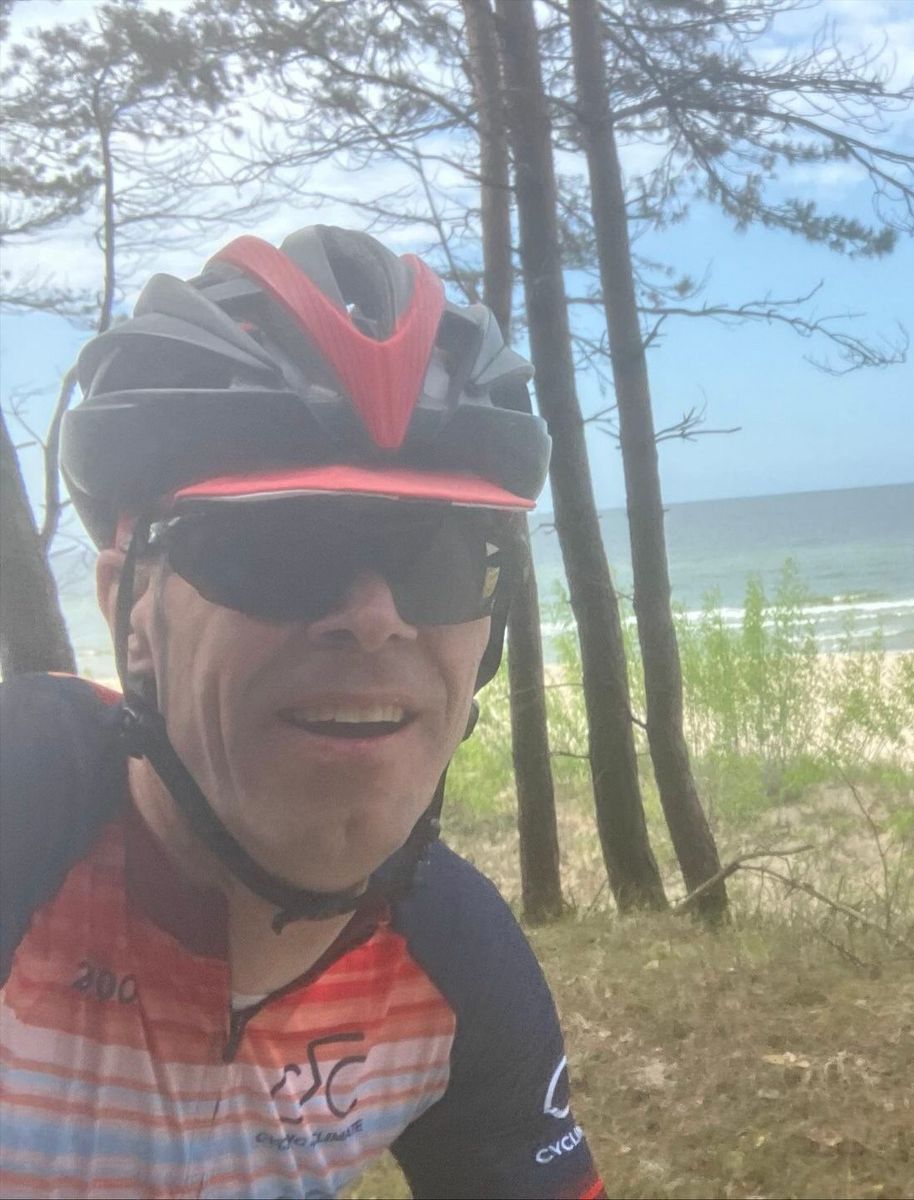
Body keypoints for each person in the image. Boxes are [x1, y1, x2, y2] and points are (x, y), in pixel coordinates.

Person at [0, 226, 603, 1199]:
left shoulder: (456, 960)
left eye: (439, 557)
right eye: (278, 546)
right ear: (130, 611)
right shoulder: (21, 811)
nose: (374, 618)